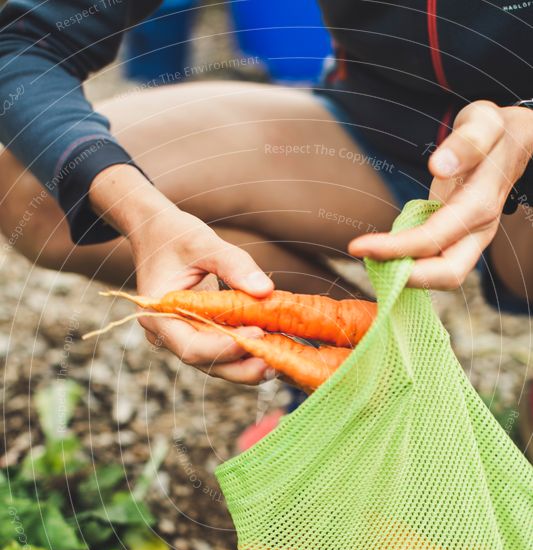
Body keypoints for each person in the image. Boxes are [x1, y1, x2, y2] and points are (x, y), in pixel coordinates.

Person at [0, 2, 531, 456]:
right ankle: (366, 381)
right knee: (31, 189)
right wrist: (143, 213)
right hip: (380, 129)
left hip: (523, 166)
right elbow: (22, 45)